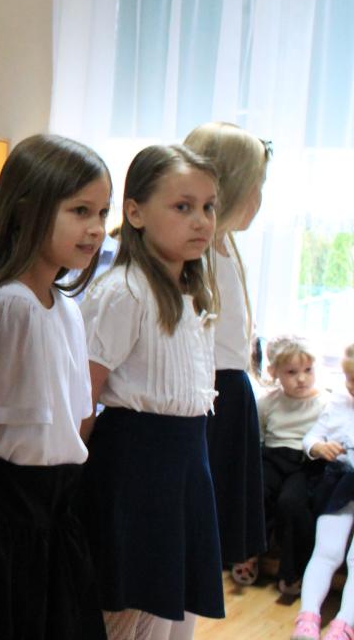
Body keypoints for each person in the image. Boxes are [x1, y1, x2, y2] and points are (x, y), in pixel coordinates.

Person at [0, 134, 110, 640]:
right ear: (27, 209)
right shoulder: (10, 305)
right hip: (4, 518)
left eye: (102, 213)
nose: (96, 228)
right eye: (80, 211)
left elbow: (78, 421)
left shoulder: (67, 309)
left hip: (54, 513)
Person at [80, 144, 224, 639]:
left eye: (208, 207)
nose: (201, 221)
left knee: (170, 615)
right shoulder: (124, 291)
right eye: (182, 206)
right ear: (136, 213)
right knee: (126, 616)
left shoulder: (191, 294)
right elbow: (84, 396)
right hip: (135, 471)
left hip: (183, 465)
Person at [184, 122, 273, 586]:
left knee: (211, 547)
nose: (259, 198)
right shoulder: (197, 255)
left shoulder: (227, 247)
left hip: (232, 393)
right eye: (256, 185)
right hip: (209, 397)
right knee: (194, 539)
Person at [289, 344, 354, 640]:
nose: (351, 387)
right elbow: (312, 437)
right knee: (327, 551)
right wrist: (318, 447)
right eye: (349, 380)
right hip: (340, 484)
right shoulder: (338, 403)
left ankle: (344, 623)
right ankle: (308, 617)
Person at [258, 335, 328, 597]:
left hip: (305, 462)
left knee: (291, 503)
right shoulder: (267, 402)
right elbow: (260, 436)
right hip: (273, 456)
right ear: (274, 372)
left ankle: (292, 571)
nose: (301, 379)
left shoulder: (325, 403)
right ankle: (249, 554)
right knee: (256, 491)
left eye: (308, 370)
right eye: (292, 372)